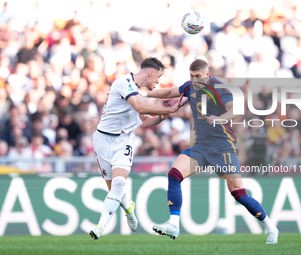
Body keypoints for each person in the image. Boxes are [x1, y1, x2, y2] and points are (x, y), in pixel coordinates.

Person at [143, 59, 279, 244]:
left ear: (207, 75)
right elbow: (168, 91)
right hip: (201, 146)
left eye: (198, 76)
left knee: (238, 193)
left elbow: (236, 110)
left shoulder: (219, 89)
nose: (194, 80)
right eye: (191, 76)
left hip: (223, 145)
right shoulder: (190, 87)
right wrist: (143, 94)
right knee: (174, 174)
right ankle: (174, 224)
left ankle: (271, 228)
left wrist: (220, 118)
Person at [89, 57, 184, 240]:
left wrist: (163, 116)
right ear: (150, 72)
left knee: (118, 184)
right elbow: (140, 107)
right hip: (102, 140)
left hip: (124, 141)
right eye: (158, 77)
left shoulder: (136, 92)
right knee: (115, 190)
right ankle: (129, 207)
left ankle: (100, 227)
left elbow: (146, 121)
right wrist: (169, 111)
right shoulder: (124, 83)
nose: (158, 82)